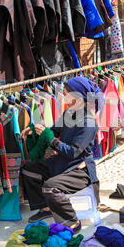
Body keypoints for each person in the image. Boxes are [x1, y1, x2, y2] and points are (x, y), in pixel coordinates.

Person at [20, 76, 103, 234]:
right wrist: (35, 129)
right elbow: (53, 131)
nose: (63, 97)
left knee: (50, 187)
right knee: (29, 169)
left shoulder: (88, 122)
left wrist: (51, 140)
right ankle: (45, 207)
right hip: (63, 163)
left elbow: (73, 152)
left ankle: (71, 221)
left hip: (79, 171)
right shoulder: (69, 114)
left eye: (66, 94)